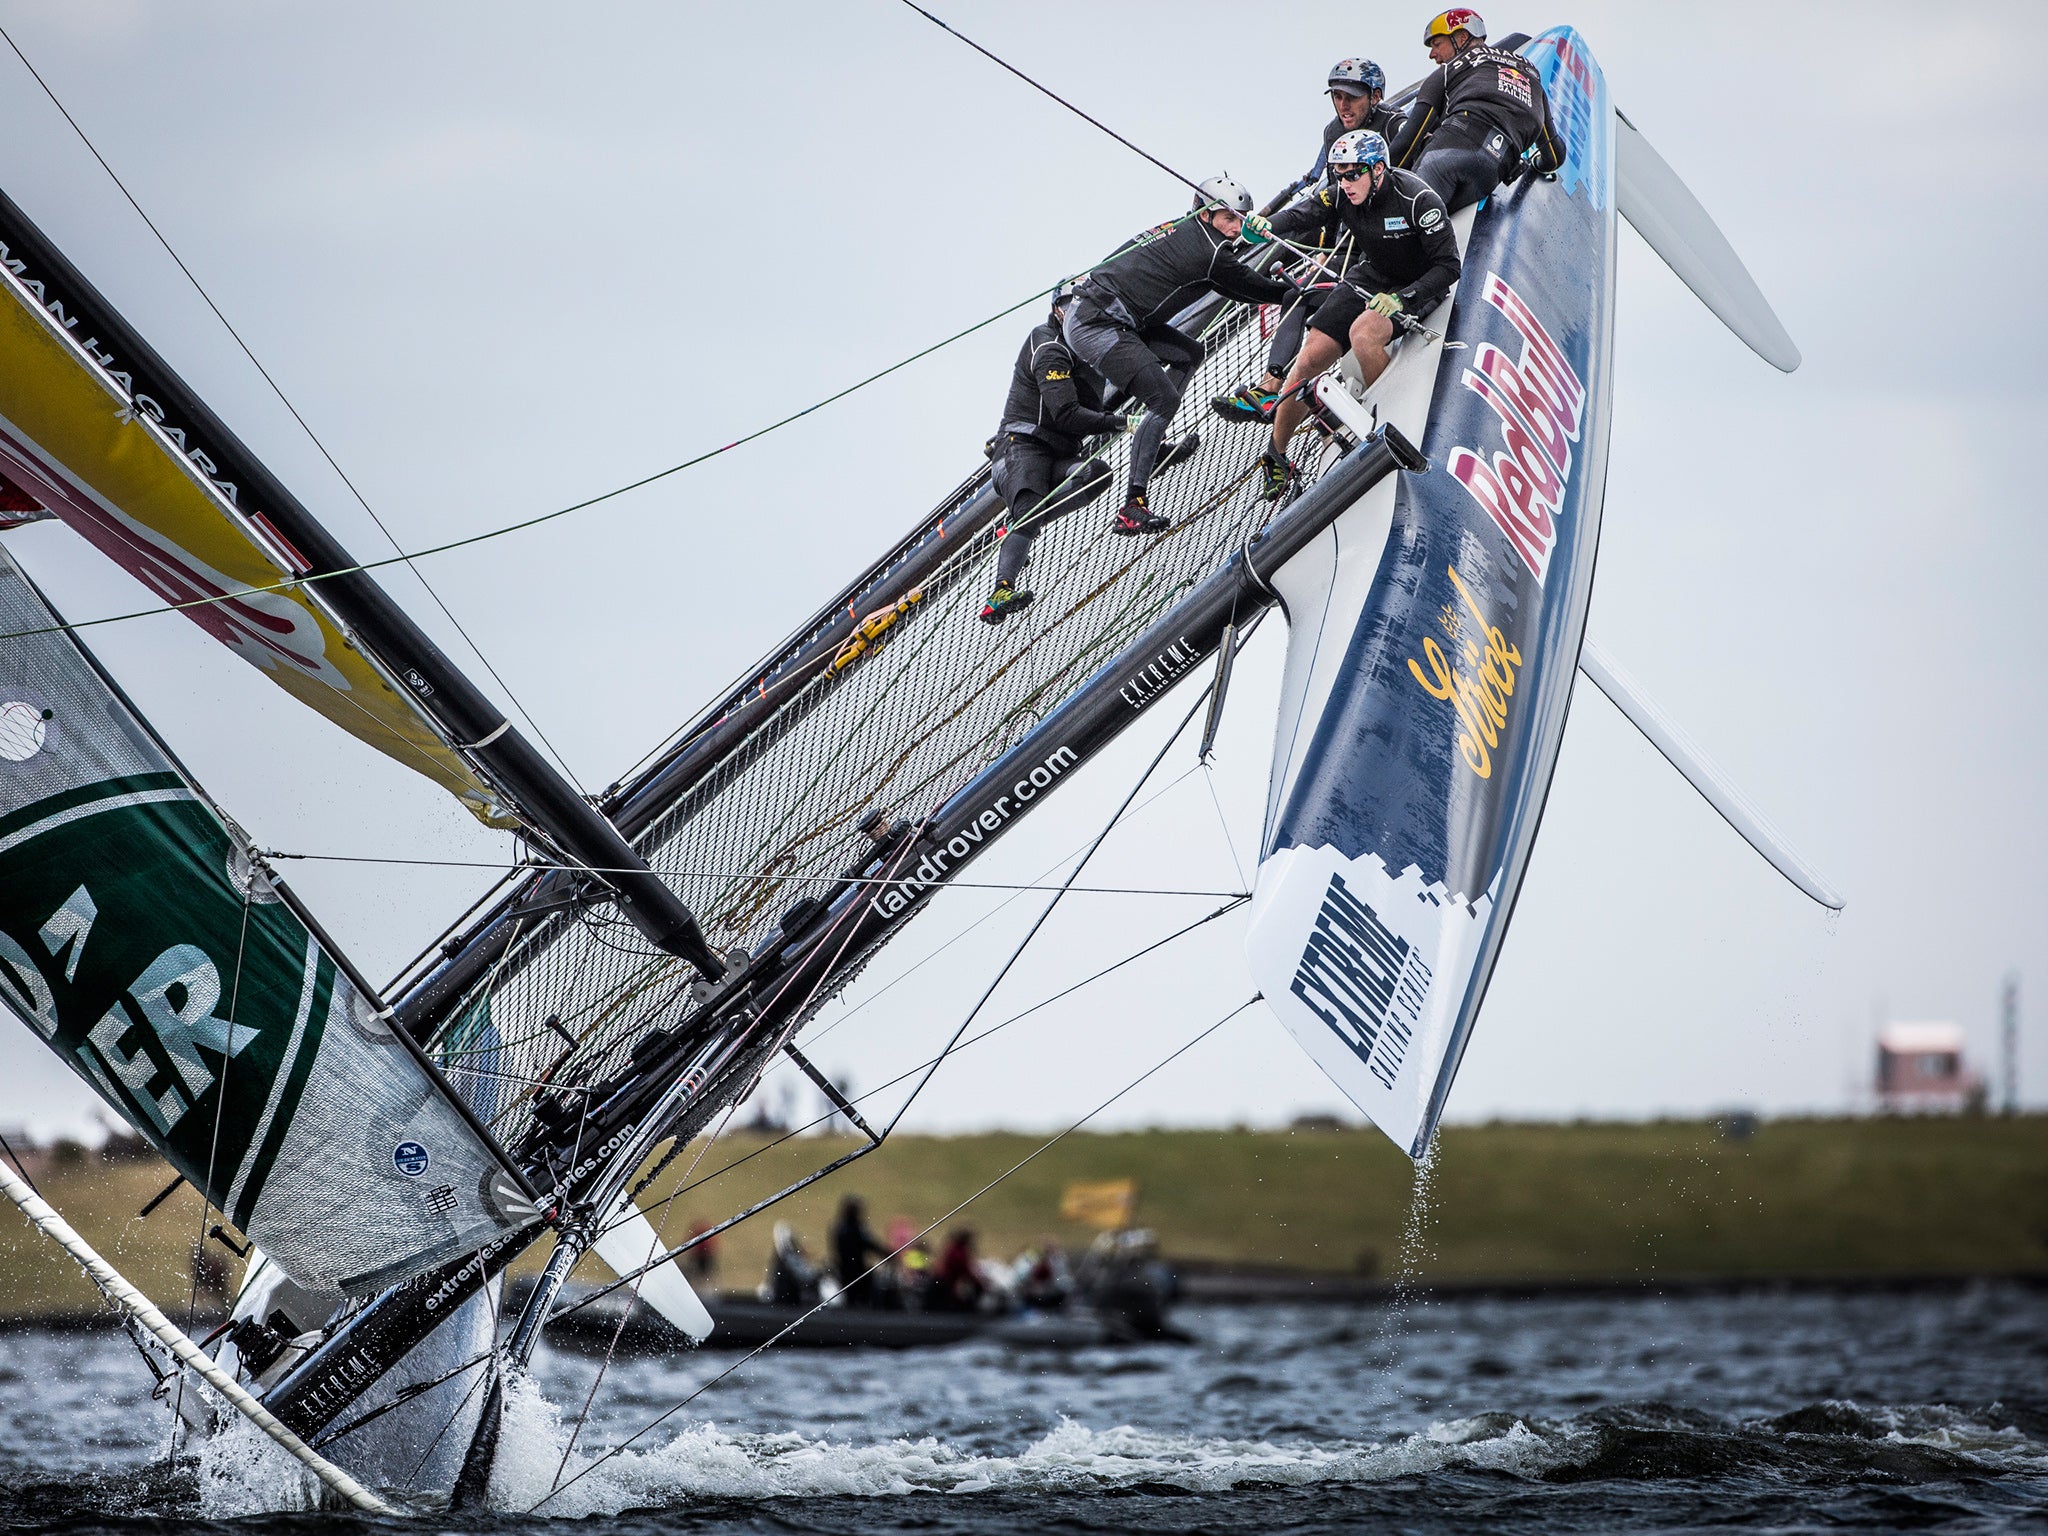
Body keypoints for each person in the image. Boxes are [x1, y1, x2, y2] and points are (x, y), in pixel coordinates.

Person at [1063, 176, 1295, 535]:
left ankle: (1152, 447)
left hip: (1114, 315)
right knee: (1163, 398)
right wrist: (1296, 296)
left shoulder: (1193, 233)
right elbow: (1251, 287)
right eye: (1228, 218)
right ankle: (1131, 507)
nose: (1235, 228)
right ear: (1205, 214)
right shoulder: (1211, 253)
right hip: (1097, 323)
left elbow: (1232, 279)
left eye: (1240, 219)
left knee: (1189, 353)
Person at [1255, 130, 1460, 499]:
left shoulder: (1418, 201)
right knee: (1308, 359)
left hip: (1414, 283)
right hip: (1371, 273)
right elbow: (1303, 213)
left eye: (1352, 174)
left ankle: (1389, 423)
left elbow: (1448, 267)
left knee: (1363, 335)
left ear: (1378, 169)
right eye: (1338, 174)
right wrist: (1267, 225)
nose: (1345, 183)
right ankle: (1277, 456)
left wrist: (1402, 299)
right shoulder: (1341, 194)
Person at [1215, 58, 1404, 424]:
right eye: (1336, 96)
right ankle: (1273, 388)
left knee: (1307, 297)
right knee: (1294, 293)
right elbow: (1324, 196)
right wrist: (1268, 223)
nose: (1343, 105)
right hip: (1348, 242)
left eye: (1351, 97)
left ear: (1375, 97)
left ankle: (1286, 392)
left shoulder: (1395, 123)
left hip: (1382, 245)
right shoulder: (1333, 131)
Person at [978, 285, 1128, 624]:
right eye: (1068, 305)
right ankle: (1001, 590)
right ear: (1057, 311)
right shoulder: (1047, 344)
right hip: (1022, 447)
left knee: (1095, 474)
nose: (1075, 311)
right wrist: (1119, 422)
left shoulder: (1092, 343)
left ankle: (1019, 527)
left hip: (1057, 454)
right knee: (1029, 510)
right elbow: (1066, 413)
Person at [1389, 10, 1563, 213]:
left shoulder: (1448, 71)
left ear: (1462, 37)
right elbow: (1554, 156)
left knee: (1403, 223)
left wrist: (1378, 182)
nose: (1432, 54)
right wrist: (1537, 164)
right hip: (1491, 172)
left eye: (1437, 44)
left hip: (1448, 152)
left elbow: (1408, 139)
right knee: (1432, 230)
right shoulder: (1532, 76)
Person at [829, 1194, 889, 1307]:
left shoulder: (840, 1227)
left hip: (846, 1268)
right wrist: (886, 1253)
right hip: (854, 1270)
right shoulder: (852, 1228)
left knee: (852, 1298)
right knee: (859, 1298)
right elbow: (869, 1244)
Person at [925, 1228, 987, 1313]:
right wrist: (981, 1285)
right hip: (944, 1284)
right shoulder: (958, 1252)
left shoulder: (953, 1249)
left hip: (945, 1283)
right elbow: (966, 1272)